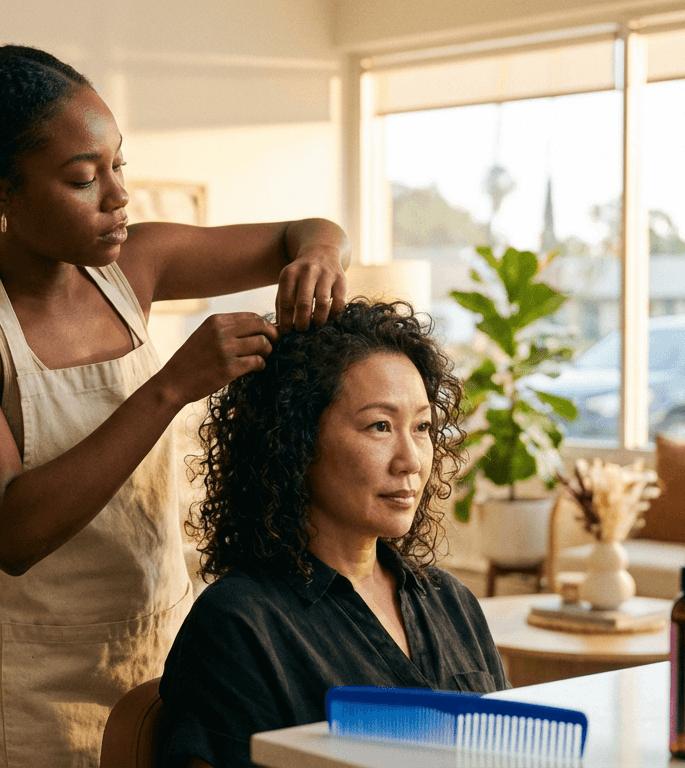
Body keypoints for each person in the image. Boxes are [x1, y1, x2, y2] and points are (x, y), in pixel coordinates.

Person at [0, 45, 349, 767]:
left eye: (117, 166)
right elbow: (12, 530)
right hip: (28, 686)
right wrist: (169, 387)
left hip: (161, 648)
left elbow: (310, 231)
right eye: (82, 178)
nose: (116, 196)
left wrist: (318, 261)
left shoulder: (136, 264)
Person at [159, 300, 510, 768]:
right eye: (379, 426)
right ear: (296, 440)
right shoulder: (238, 624)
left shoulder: (452, 602)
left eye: (422, 426)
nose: (411, 460)